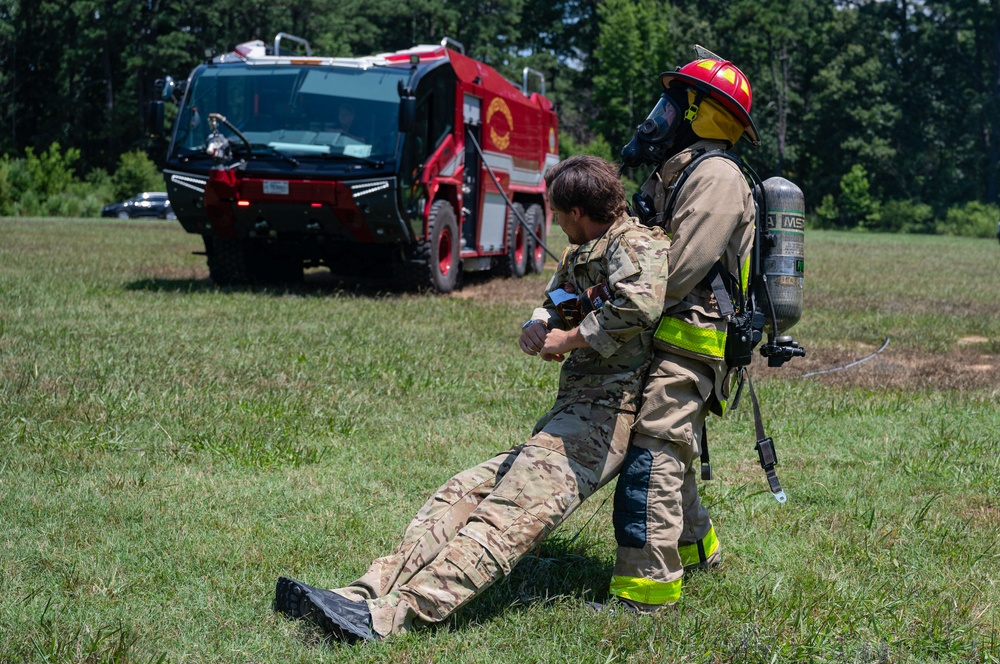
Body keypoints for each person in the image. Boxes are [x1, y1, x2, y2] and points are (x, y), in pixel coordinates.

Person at [273, 154, 671, 641]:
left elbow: (641, 304)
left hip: (603, 420)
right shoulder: (585, 249)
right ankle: (362, 592)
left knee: (506, 517)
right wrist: (539, 323)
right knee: (461, 493)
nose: (556, 222)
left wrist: (567, 342)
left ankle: (391, 617)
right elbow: (559, 299)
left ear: (578, 210)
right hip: (569, 415)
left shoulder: (635, 243)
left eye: (558, 213)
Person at [606, 52, 760, 612]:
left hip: (692, 338)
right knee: (673, 447)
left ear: (701, 114)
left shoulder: (716, 178)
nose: (657, 119)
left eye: (672, 106)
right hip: (668, 334)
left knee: (653, 452)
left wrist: (607, 304)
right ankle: (699, 552)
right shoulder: (680, 170)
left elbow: (676, 273)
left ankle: (645, 591)